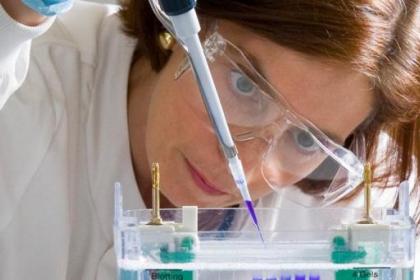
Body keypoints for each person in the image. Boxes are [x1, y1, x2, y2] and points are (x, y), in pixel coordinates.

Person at [0, 0, 418, 279]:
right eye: (244, 85)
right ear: (184, 19)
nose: (243, 163)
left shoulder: (355, 209)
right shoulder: (31, 80)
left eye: (306, 142)